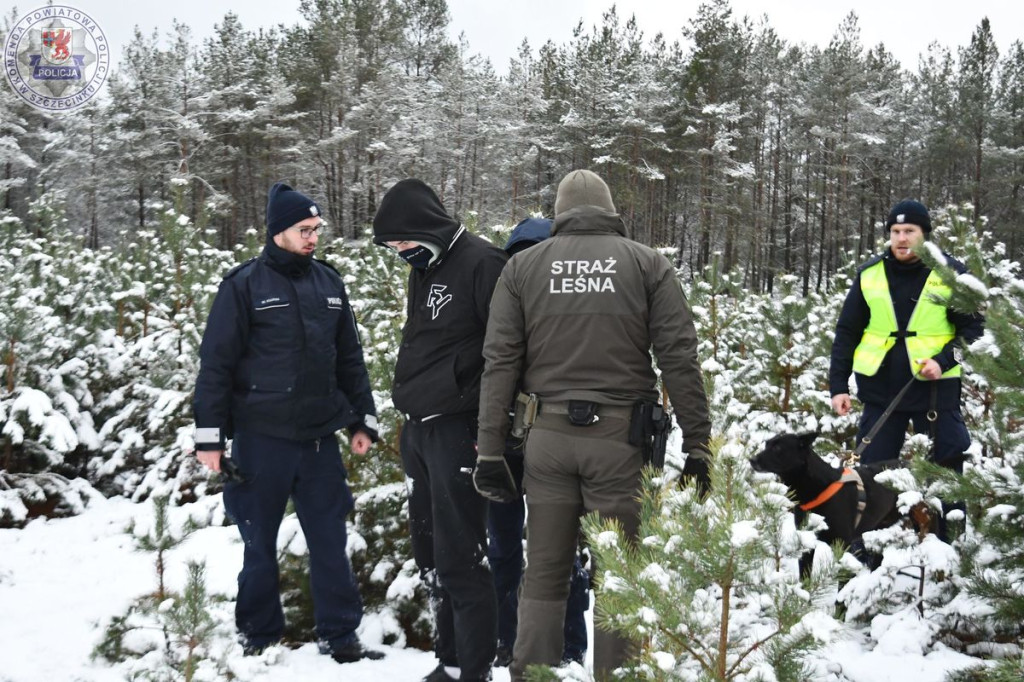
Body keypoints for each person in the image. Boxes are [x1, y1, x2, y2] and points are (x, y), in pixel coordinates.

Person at [473, 170, 713, 681]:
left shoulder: (522, 268)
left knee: (543, 575)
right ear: (609, 210)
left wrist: (490, 451)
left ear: (559, 213)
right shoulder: (648, 264)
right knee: (620, 577)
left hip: (547, 441)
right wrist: (699, 446)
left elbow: (499, 363)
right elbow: (679, 359)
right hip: (621, 444)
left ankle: (531, 675)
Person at [193, 182, 383, 664]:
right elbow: (215, 365)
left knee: (329, 541)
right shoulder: (243, 286)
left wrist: (361, 419)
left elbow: (350, 359)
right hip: (262, 439)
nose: (313, 237)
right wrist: (209, 437)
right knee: (259, 543)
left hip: (319, 438)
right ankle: (258, 635)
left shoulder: (329, 283)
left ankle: (339, 634)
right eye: (304, 229)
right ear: (279, 230)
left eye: (316, 229)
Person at [371, 178, 507, 682]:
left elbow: (508, 351)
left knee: (462, 559)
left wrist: (489, 428)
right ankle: (448, 661)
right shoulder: (424, 268)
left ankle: (474, 670)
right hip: (419, 431)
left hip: (459, 430)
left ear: (426, 226)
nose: (400, 252)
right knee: (430, 555)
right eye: (393, 247)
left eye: (404, 241)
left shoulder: (483, 263)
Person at [487, 217, 590, 668]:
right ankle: (511, 639)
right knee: (510, 548)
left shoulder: (569, 313)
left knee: (556, 549)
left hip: (548, 441)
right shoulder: (500, 300)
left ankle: (566, 644)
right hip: (513, 446)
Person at [829, 199, 984, 476]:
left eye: (909, 231)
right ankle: (882, 522)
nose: (902, 238)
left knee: (946, 476)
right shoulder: (869, 274)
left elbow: (975, 331)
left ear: (924, 234)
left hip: (935, 393)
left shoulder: (951, 274)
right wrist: (838, 386)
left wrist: (943, 360)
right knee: (872, 475)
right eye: (896, 232)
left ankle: (947, 522)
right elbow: (846, 332)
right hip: (881, 392)